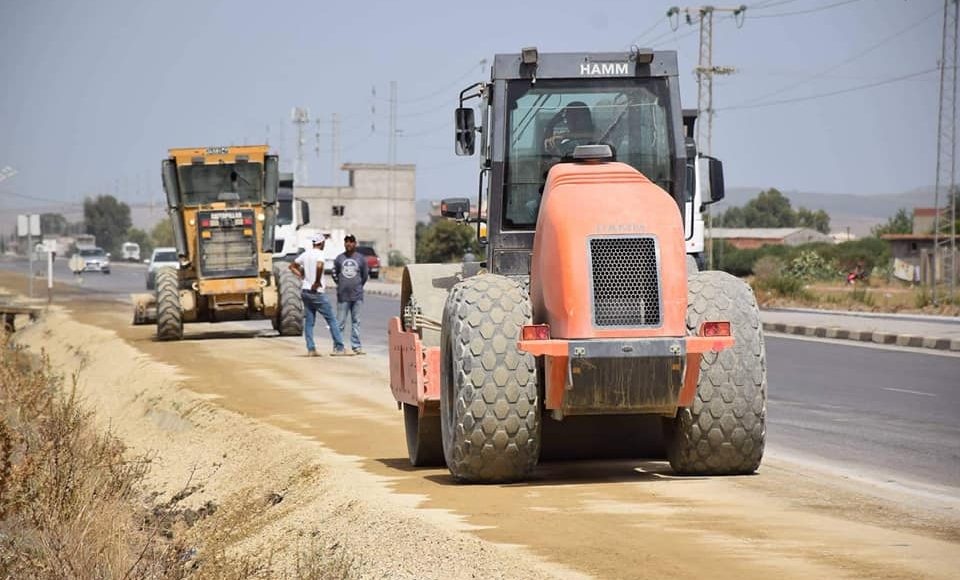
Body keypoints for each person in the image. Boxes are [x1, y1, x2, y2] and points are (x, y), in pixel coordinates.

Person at [289, 235, 346, 356]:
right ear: (321, 243)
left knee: (309, 322)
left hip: (305, 291)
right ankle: (340, 347)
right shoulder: (319, 254)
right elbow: (319, 265)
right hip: (317, 292)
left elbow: (292, 266)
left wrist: (302, 276)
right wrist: (316, 281)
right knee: (332, 320)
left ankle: (311, 349)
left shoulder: (305, 254)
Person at [333, 234, 369, 355]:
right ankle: (338, 347)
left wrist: (357, 285)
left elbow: (364, 276)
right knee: (340, 322)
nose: (349, 244)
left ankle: (356, 346)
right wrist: (342, 284)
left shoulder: (361, 259)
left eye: (351, 241)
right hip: (343, 296)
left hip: (357, 296)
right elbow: (335, 274)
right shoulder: (339, 258)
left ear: (355, 244)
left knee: (356, 322)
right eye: (346, 241)